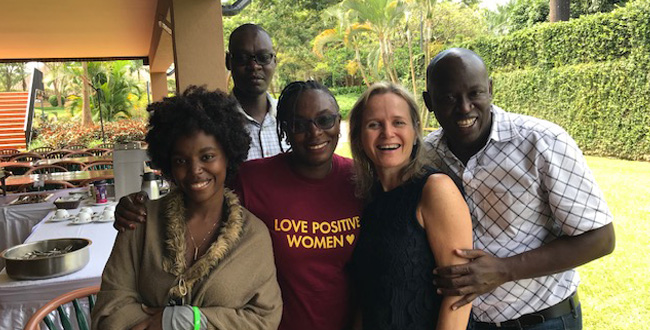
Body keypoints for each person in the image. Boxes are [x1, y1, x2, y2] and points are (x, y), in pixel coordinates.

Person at [114, 81, 363, 330]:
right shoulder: (253, 179)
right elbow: (200, 191)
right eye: (299, 124)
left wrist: (187, 320)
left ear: (339, 123)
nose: (315, 132)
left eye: (325, 120)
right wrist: (130, 205)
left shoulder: (360, 182)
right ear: (286, 130)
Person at [422, 48, 615, 329]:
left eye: (475, 93)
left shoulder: (542, 143)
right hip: (468, 321)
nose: (464, 107)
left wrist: (504, 270)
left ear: (490, 89)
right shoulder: (427, 155)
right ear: (429, 101)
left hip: (543, 320)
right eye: (449, 98)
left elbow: (601, 238)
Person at [92, 86, 282, 329]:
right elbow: (108, 312)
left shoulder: (253, 236)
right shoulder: (141, 222)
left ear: (228, 156)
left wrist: (182, 321)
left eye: (207, 157)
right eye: (181, 161)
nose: (195, 171)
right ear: (168, 164)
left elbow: (264, 319)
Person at [348, 82, 473, 330]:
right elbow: (369, 293)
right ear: (359, 136)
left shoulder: (435, 189)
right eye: (374, 124)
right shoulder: (369, 198)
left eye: (398, 122)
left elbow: (460, 293)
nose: (387, 133)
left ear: (415, 132)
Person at [226, 23, 289, 160]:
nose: (254, 66)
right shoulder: (216, 122)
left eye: (264, 57)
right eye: (242, 57)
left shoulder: (291, 117)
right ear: (228, 62)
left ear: (274, 61)